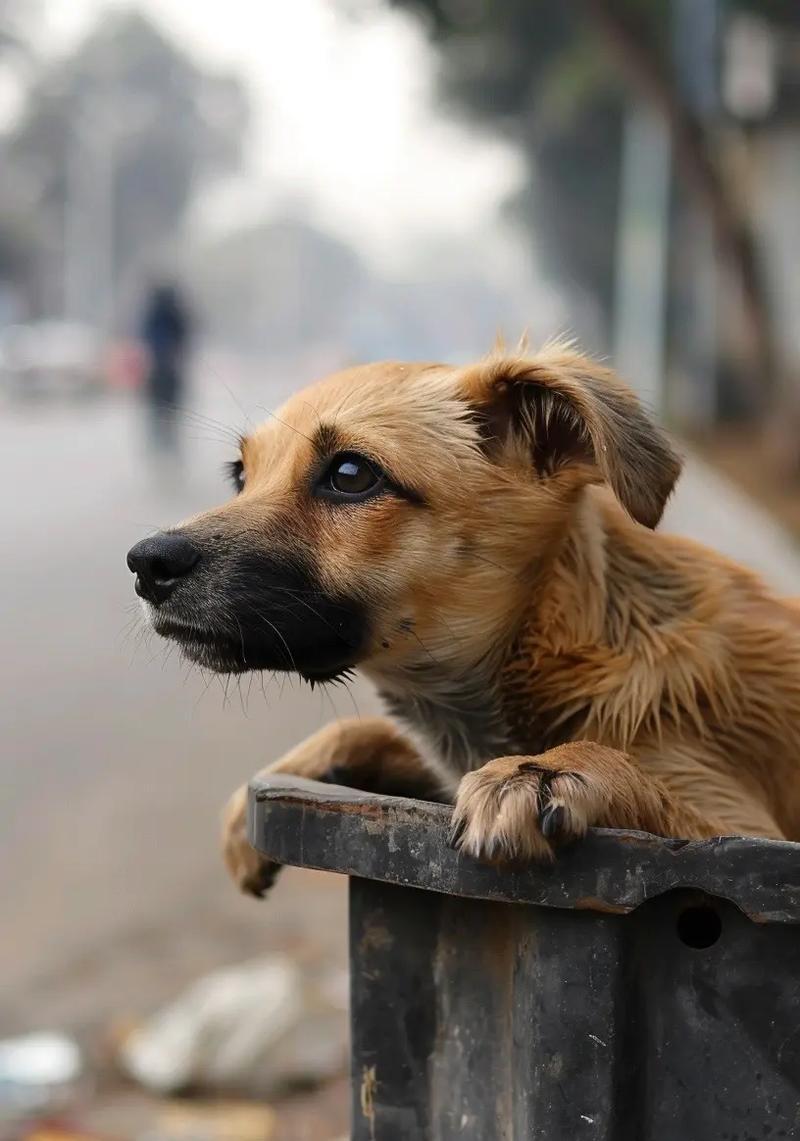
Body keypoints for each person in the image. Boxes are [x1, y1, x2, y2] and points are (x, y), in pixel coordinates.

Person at [140, 281, 192, 456]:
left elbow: (145, 338)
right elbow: (186, 338)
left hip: (159, 372)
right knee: (169, 412)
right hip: (169, 372)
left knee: (158, 412)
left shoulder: (153, 313)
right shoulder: (176, 313)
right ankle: (168, 444)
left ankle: (161, 444)